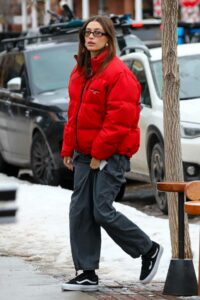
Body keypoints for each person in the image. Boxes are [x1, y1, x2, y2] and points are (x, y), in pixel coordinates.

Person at [61, 15, 163, 292]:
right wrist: (68, 147)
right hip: (84, 153)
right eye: (87, 32)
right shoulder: (80, 72)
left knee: (102, 211)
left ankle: (149, 248)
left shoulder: (118, 73)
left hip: (110, 154)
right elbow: (74, 115)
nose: (91, 37)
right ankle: (87, 273)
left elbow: (119, 120)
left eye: (97, 32)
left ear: (108, 38)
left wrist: (99, 153)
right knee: (80, 211)